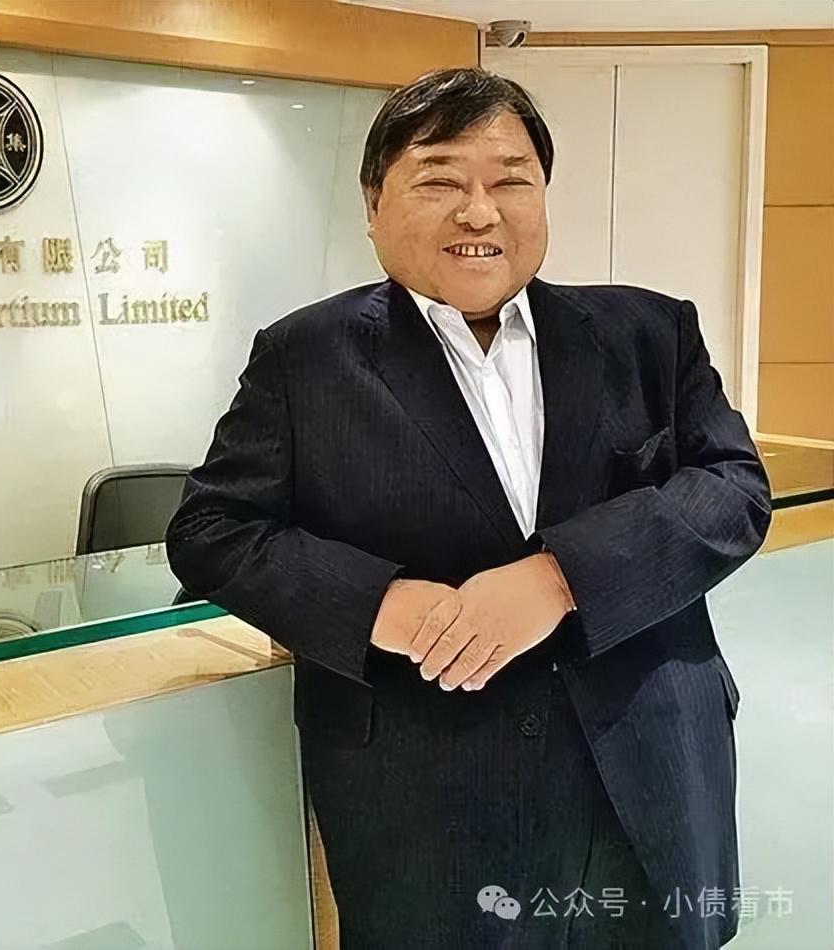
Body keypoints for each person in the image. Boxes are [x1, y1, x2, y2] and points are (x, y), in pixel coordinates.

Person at [166, 68, 772, 948]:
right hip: (429, 802)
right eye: (440, 180)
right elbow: (211, 530)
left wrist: (562, 578)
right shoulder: (305, 358)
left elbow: (734, 488)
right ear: (373, 205)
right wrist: (381, 605)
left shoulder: (648, 332)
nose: (479, 212)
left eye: (510, 181)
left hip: (651, 769)